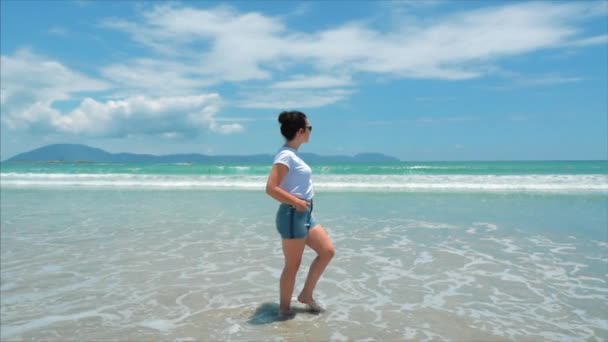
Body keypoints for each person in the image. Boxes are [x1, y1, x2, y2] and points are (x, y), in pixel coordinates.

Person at [266, 110, 335, 319]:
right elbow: (271, 188)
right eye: (309, 128)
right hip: (292, 214)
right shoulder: (286, 155)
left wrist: (302, 205)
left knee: (327, 251)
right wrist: (297, 202)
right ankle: (284, 311)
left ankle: (306, 295)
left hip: (304, 213)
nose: (311, 131)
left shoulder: (293, 154)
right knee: (293, 265)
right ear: (301, 131)